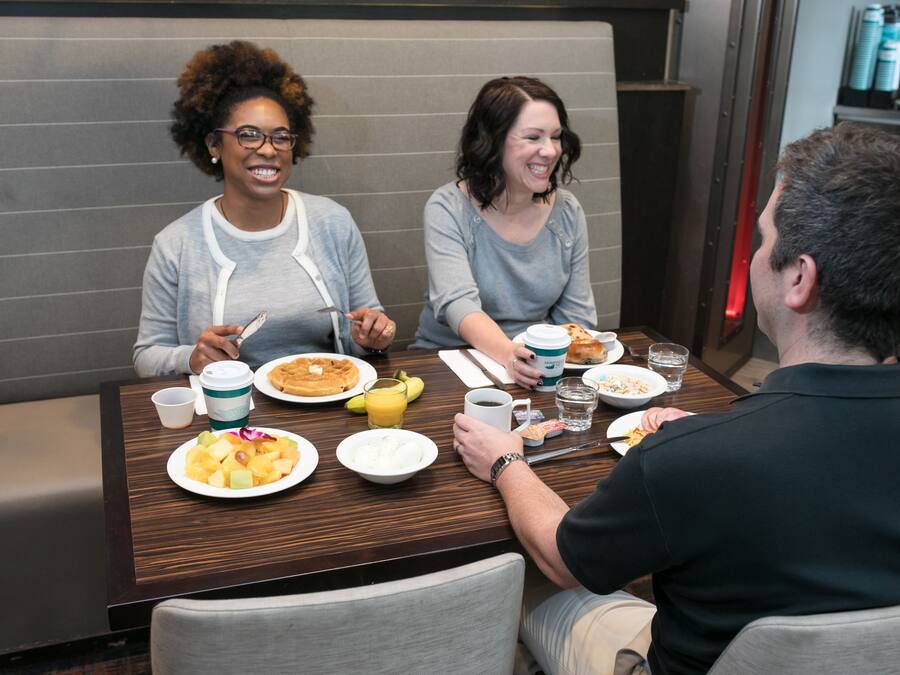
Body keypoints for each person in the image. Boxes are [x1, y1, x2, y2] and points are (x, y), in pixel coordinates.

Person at [453, 122, 900, 675]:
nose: (757, 256)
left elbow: (563, 558)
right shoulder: (702, 454)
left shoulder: (687, 462)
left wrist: (505, 461)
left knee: (524, 585)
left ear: (800, 280)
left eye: (762, 240)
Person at [133, 41, 395, 377]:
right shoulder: (176, 244)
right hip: (227, 412)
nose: (268, 150)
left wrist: (373, 335)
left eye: (281, 137)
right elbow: (146, 356)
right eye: (249, 135)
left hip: (329, 398)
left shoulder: (331, 221)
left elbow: (367, 326)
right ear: (214, 144)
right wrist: (192, 358)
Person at [412, 77, 597, 389]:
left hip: (535, 368)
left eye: (555, 137)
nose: (550, 151)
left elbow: (576, 319)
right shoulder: (447, 206)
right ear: (493, 142)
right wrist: (509, 354)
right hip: (450, 364)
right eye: (533, 137)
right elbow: (459, 305)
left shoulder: (567, 211)